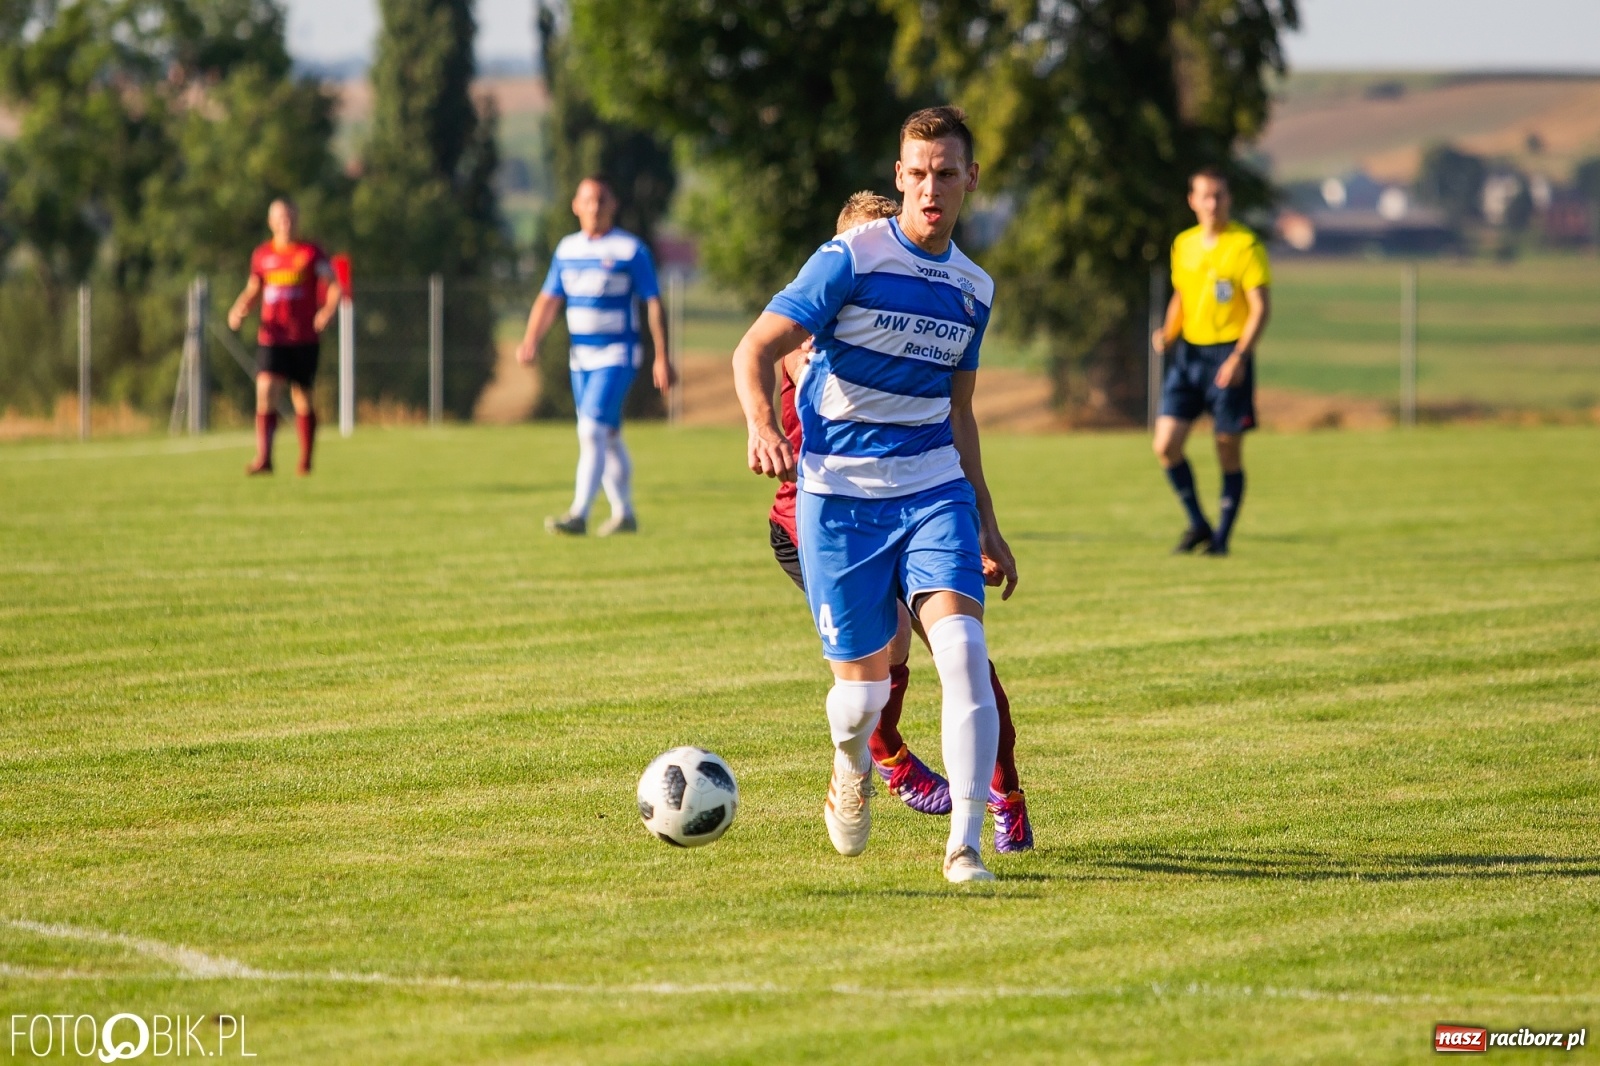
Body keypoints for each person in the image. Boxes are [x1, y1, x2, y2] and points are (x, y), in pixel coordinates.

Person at [733, 106, 1018, 883]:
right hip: (838, 499)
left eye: (946, 175)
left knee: (963, 653)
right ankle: (851, 761)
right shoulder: (849, 259)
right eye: (918, 174)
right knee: (859, 701)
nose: (932, 189)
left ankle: (966, 844)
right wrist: (763, 424)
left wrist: (988, 521)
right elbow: (755, 347)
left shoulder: (973, 290)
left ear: (970, 182)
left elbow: (959, 413)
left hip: (932, 491)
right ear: (900, 177)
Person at [517, 177, 673, 536]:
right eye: (587, 200)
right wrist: (531, 340)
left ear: (613, 205)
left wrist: (661, 355)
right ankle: (624, 513)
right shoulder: (567, 250)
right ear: (575, 205)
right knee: (609, 435)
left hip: (617, 354)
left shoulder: (630, 250)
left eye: (601, 199)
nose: (594, 206)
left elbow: (653, 301)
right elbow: (549, 298)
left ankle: (579, 514)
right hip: (580, 358)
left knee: (590, 431)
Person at [1151, 166, 1272, 555]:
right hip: (1189, 355)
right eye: (1206, 195)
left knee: (1226, 448)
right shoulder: (1183, 244)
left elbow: (1260, 307)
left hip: (1229, 354)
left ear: (1228, 199)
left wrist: (1240, 357)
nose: (1213, 203)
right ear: (1193, 201)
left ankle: (1221, 539)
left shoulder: (1246, 245)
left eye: (1219, 195)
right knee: (1166, 445)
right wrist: (1168, 332)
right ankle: (1199, 523)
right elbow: (1183, 296)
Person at [227, 199, 340, 476]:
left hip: (303, 337)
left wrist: (326, 311)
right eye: (280, 218)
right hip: (272, 336)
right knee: (265, 391)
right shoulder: (263, 255)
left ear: (297, 220)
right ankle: (264, 458)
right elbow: (254, 288)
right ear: (271, 222)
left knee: (302, 398)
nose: (285, 223)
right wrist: (239, 308)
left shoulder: (310, 253)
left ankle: (305, 459)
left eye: (290, 218)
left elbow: (334, 285)